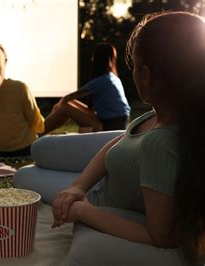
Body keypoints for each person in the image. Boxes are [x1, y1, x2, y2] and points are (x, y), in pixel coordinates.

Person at [49, 11, 204, 263]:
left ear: (145, 74)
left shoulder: (162, 142)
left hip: (104, 194)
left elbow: (161, 236)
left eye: (132, 67)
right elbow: (120, 139)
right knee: (40, 156)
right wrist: (78, 186)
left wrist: (82, 210)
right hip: (109, 165)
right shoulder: (161, 113)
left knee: (28, 176)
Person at [43, 42, 131, 133]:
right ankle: (42, 129)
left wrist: (56, 108)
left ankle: (40, 131)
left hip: (108, 127)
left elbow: (66, 98)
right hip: (117, 123)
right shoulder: (113, 78)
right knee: (67, 103)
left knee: (64, 106)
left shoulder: (101, 81)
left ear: (96, 60)